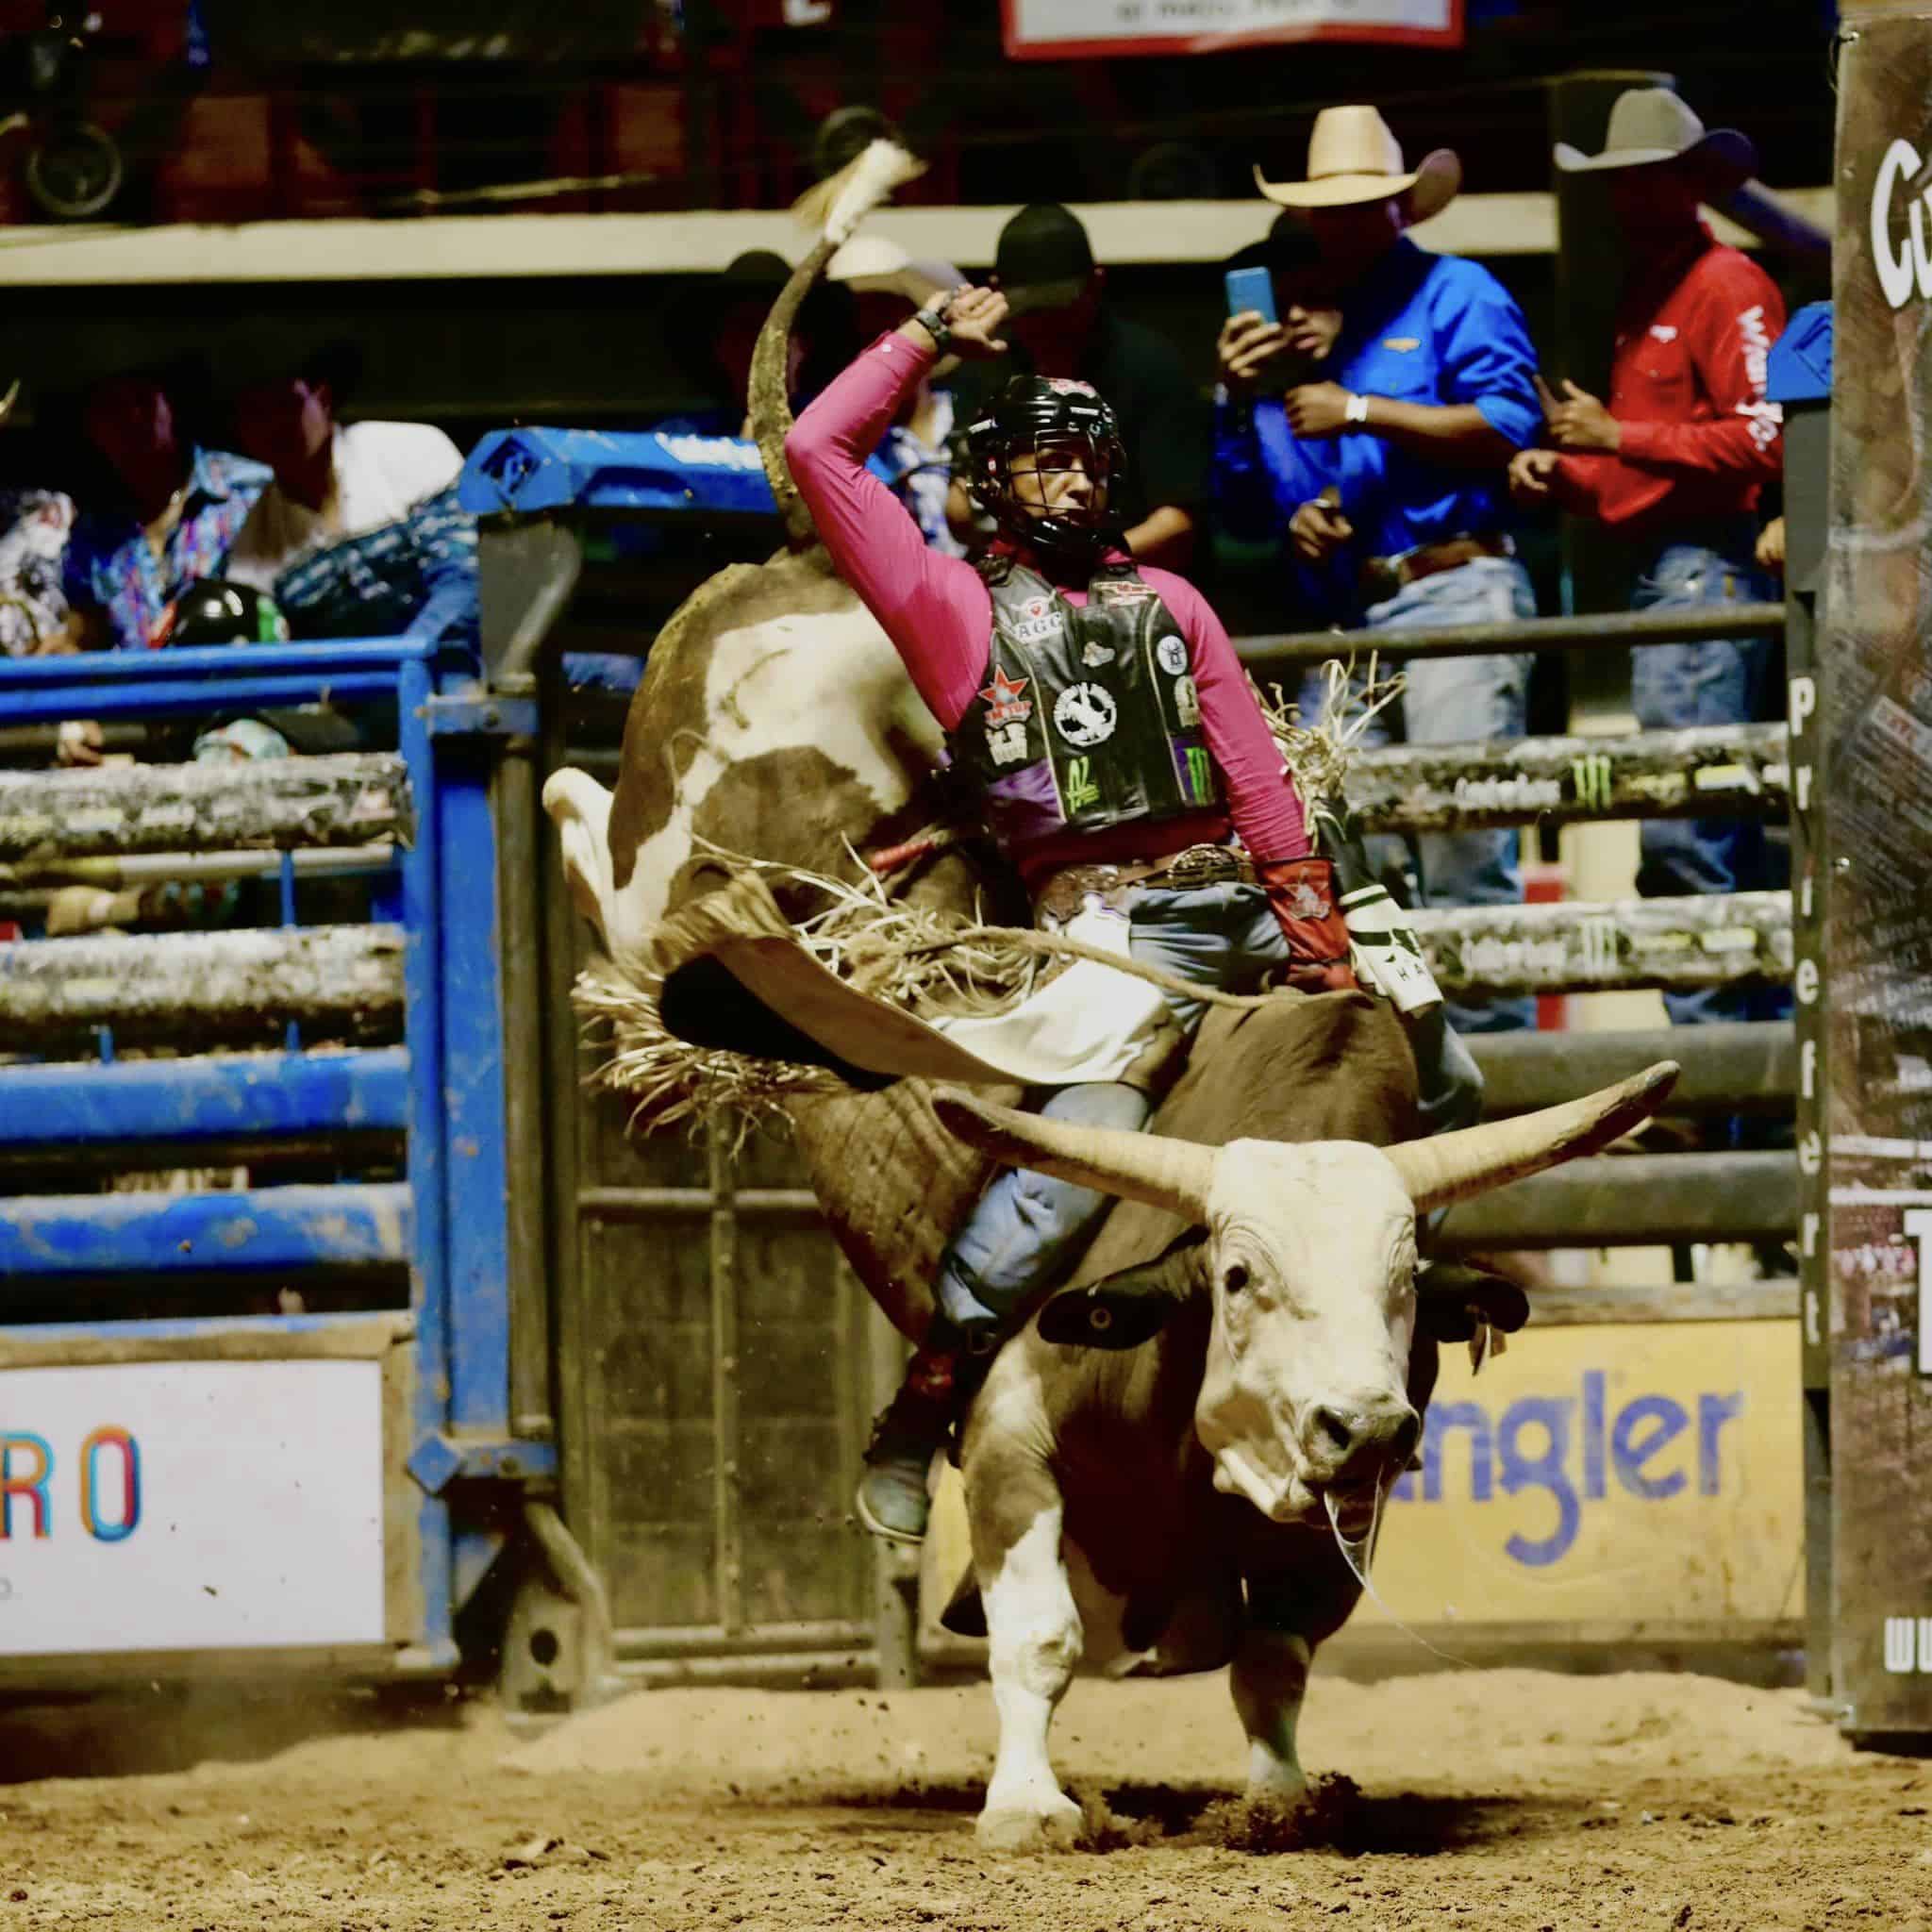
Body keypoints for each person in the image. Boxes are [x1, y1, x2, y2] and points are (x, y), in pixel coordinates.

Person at [786, 282, 1481, 1544]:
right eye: (1045, 464)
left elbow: (1257, 773)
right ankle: (930, 1394)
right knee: (1062, 1179)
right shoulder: (949, 610)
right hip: (1113, 939)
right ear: (995, 483)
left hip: (1249, 905)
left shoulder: (1177, 606)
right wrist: (927, 337)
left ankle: (1406, 1288)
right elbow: (814, 449)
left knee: (1451, 1066)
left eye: (1089, 464)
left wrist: (1315, 926)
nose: (1072, 486)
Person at [1214, 105, 1544, 1036]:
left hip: (1454, 586)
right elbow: (1247, 503)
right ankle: (1413, 1057)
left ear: (1400, 209)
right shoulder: (1320, 333)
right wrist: (1293, 490)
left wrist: (1359, 408)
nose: (1345, 223)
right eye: (1332, 210)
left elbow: (1512, 423)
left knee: (1461, 839)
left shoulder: (1456, 292)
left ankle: (1501, 1064)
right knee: (1346, 843)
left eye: (1364, 207)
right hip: (1356, 616)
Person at [1509, 89, 1789, 1038]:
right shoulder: (1656, 289)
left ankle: (1714, 1080)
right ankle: (1737, 1076)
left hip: (1703, 572)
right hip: (1677, 567)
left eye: (1643, 180)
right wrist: (1572, 470)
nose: (1625, 199)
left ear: (1686, 184)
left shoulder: (1723, 285)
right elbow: (1655, 463)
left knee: (1687, 826)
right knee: (1706, 826)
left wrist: (1609, 431)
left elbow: (1764, 438)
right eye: (1619, 183)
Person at [945, 203, 1209, 571]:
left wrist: (1085, 565)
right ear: (997, 291)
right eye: (1031, 311)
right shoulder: (986, 369)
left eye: (1061, 310)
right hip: (1020, 582)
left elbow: (1178, 522)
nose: (1046, 327)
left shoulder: (1150, 366)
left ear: (1096, 284)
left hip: (1133, 577)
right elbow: (961, 512)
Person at [62, 364, 271, 654]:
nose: (131, 419)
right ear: (92, 429)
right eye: (111, 408)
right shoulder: (92, 535)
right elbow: (83, 636)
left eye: (142, 400)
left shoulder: (248, 490)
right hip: (138, 696)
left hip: (242, 687)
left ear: (170, 407)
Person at [826, 235, 969, 555]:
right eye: (866, 336)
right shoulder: (848, 445)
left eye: (894, 332)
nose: (881, 352)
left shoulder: (970, 419)